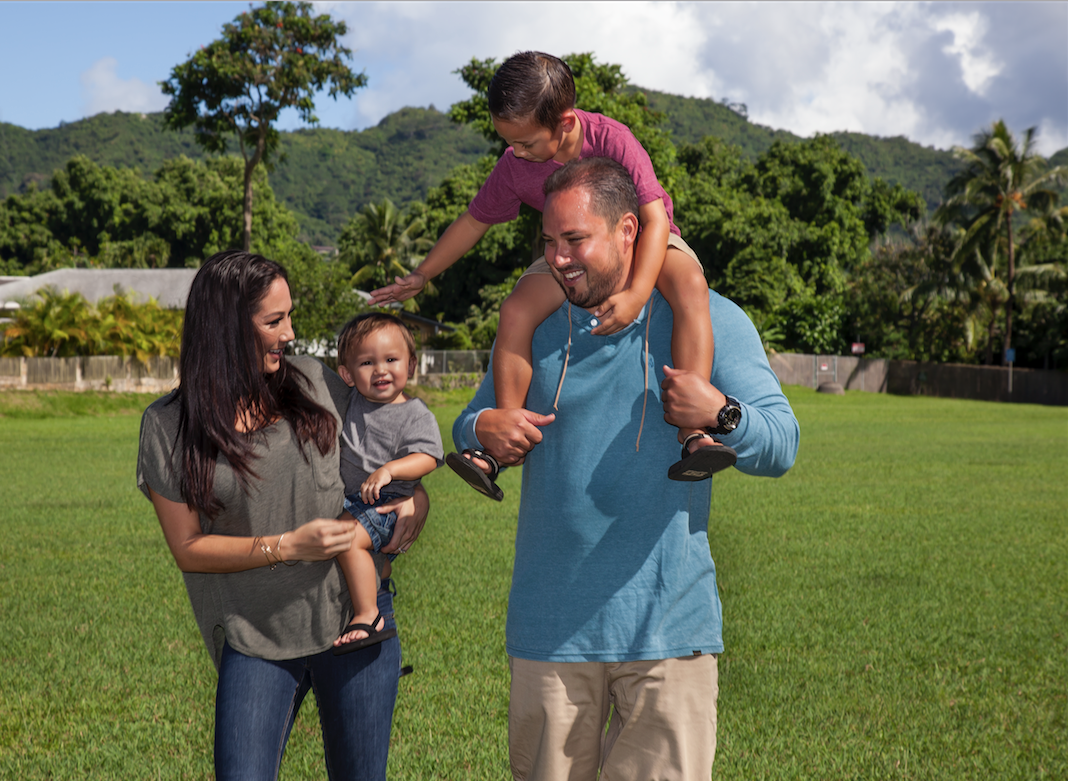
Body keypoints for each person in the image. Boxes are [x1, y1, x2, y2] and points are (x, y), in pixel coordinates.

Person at [452, 158, 800, 780]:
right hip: (549, 633)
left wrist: (720, 414)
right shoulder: (532, 320)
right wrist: (483, 428)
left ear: (629, 232)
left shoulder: (711, 316)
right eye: (550, 242)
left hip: (669, 635)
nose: (559, 259)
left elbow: (782, 442)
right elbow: (473, 420)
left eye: (576, 240)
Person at [371, 51, 733, 495]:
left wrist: (639, 293)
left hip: (643, 239)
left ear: (564, 123)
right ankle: (504, 435)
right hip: (571, 250)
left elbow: (654, 220)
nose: (515, 152)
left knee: (690, 284)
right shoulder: (515, 164)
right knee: (516, 309)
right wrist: (422, 274)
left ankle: (694, 433)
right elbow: (473, 221)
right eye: (510, 142)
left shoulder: (613, 140)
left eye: (525, 143)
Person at [136, 250, 428, 780]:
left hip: (355, 623)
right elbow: (188, 548)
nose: (290, 333)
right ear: (225, 327)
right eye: (274, 321)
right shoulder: (167, 426)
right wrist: (290, 545)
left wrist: (416, 495)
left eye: (288, 316)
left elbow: (394, 433)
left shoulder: (317, 381)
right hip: (256, 634)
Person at [330, 312, 443, 654]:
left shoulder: (415, 413)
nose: (380, 370)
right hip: (355, 501)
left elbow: (429, 457)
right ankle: (378, 569)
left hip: (386, 504)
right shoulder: (352, 402)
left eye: (391, 359)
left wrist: (390, 469)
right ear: (347, 375)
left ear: (411, 366)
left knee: (347, 540)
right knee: (346, 536)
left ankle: (369, 614)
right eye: (367, 362)